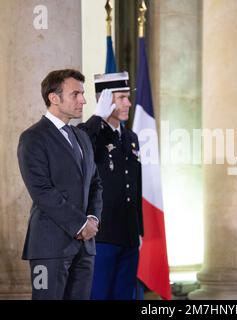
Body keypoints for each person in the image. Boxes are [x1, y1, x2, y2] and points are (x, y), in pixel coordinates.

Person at [17, 69, 103, 300]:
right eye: (75, 94)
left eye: (82, 94)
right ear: (54, 98)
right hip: (49, 247)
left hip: (85, 247)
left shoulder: (82, 136)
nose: (83, 100)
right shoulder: (33, 138)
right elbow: (42, 191)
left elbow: (95, 183)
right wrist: (79, 224)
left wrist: (93, 219)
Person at [78, 71, 143, 300]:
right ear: (105, 100)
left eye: (128, 97)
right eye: (121, 97)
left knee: (124, 295)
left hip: (128, 233)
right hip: (103, 234)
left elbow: (136, 185)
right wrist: (98, 116)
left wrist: (140, 229)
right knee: (99, 294)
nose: (129, 103)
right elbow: (80, 146)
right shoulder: (91, 133)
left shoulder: (131, 137)